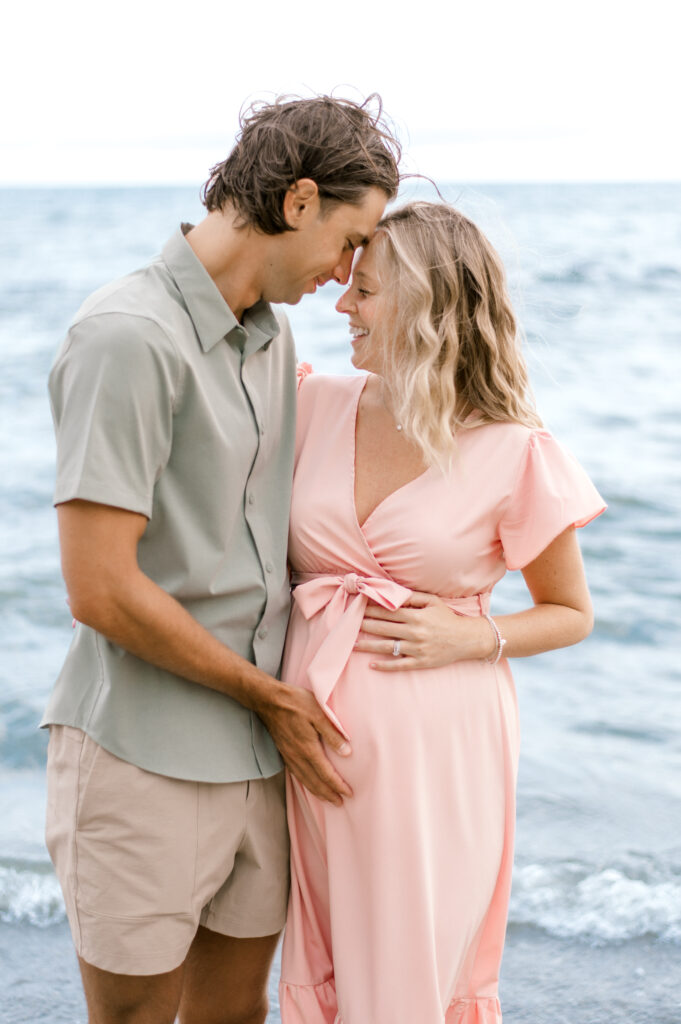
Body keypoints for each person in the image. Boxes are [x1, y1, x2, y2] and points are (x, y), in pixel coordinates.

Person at [43, 95, 400, 1024]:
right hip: (142, 753)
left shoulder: (271, 340)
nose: (347, 271)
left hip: (257, 758)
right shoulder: (127, 337)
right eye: (351, 238)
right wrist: (273, 697)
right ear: (299, 202)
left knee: (236, 1017)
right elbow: (100, 589)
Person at [278, 201, 606, 1024]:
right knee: (316, 966)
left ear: (426, 306)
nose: (342, 305)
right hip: (303, 744)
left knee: (408, 975)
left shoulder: (512, 450)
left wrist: (476, 635)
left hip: (436, 751)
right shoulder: (312, 405)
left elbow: (568, 612)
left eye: (367, 291)